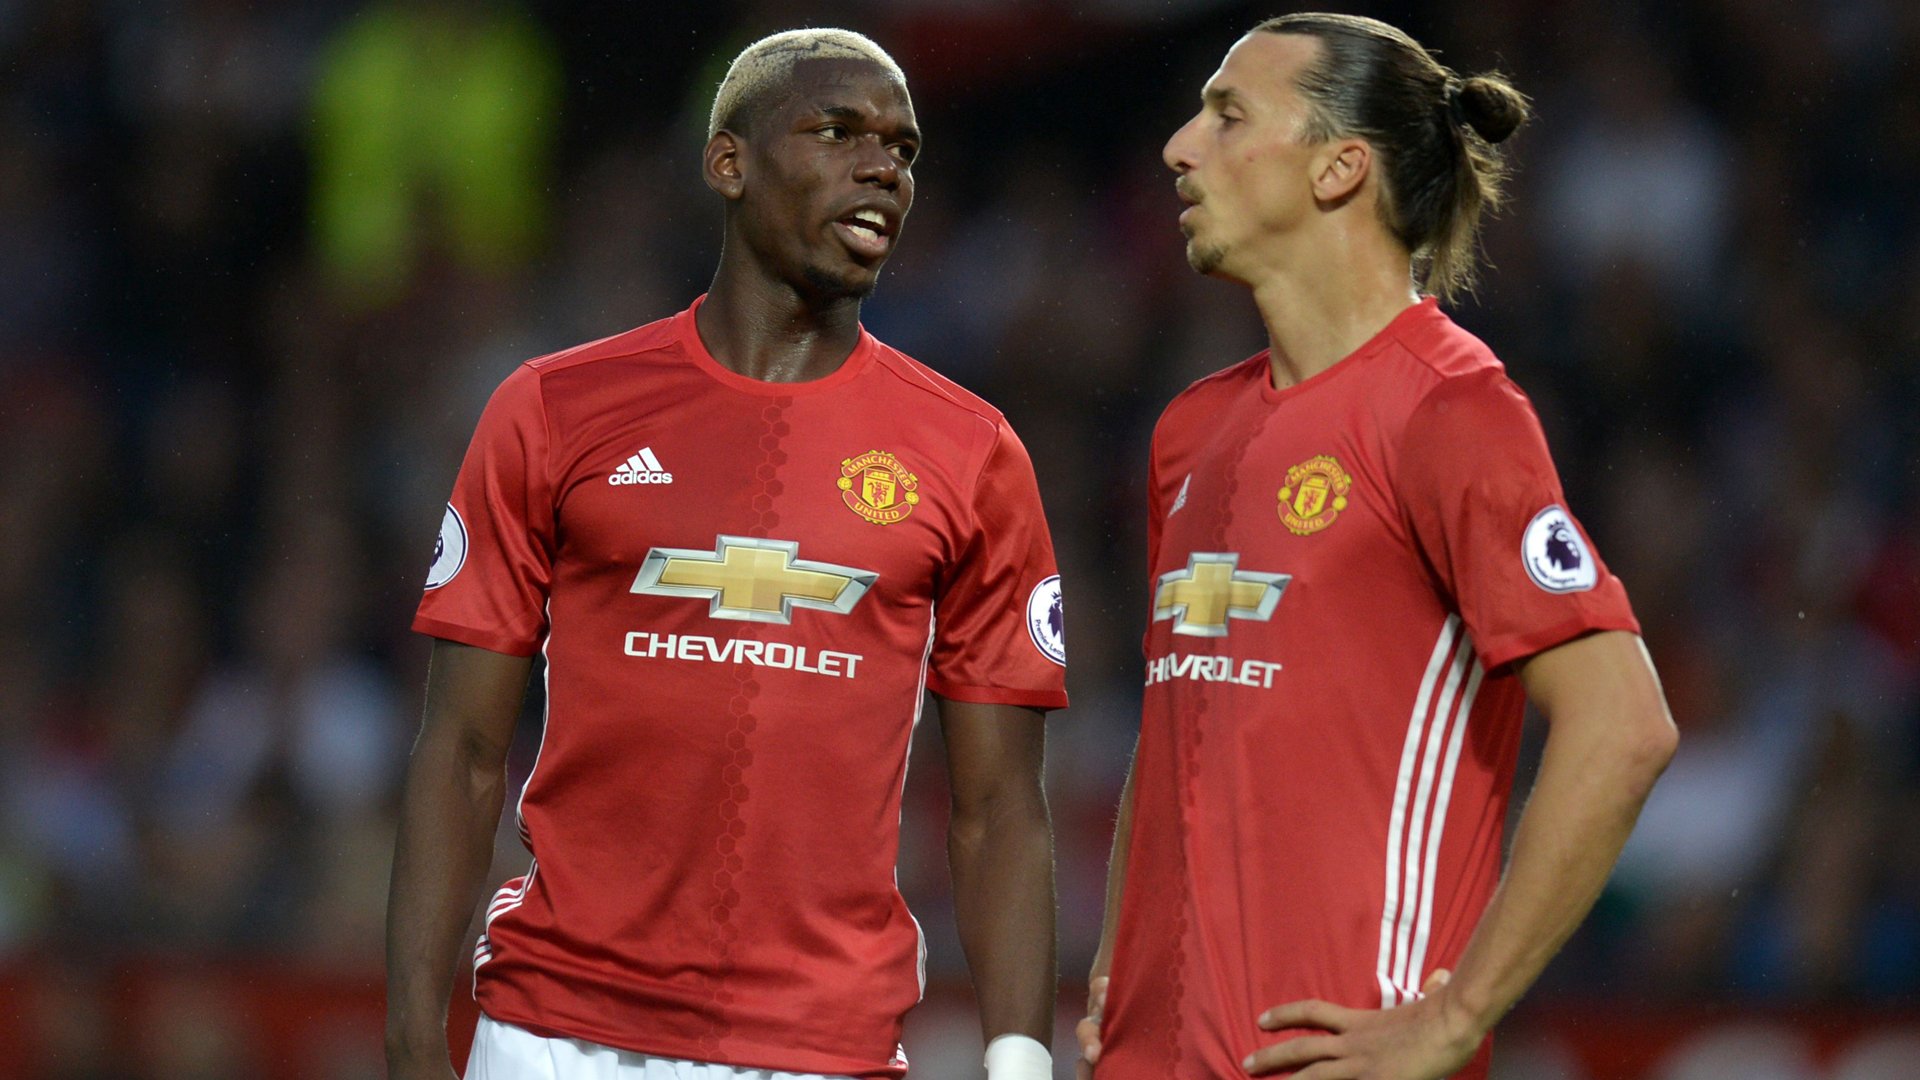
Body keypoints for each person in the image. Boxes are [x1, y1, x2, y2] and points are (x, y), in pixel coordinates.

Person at [385, 29, 1066, 1080]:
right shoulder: (557, 409)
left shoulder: (970, 453)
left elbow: (998, 808)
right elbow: (461, 751)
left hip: (820, 1050)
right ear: (728, 163)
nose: (882, 166)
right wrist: (412, 1041)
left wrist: (1020, 1062)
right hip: (550, 1038)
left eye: (903, 147)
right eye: (837, 132)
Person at [1075, 14, 1677, 1079]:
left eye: (1227, 116)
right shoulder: (1189, 434)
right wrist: (1121, 973)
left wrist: (1454, 1019)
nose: (1178, 145)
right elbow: (1179, 723)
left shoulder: (1447, 410)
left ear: (1339, 169)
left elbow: (1623, 724)